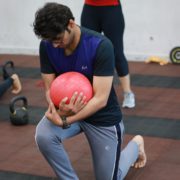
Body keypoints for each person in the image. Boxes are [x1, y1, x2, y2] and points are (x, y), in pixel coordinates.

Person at [33, 3, 147, 180]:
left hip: (101, 116)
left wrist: (65, 119)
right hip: (67, 111)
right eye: (50, 41)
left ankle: (135, 146)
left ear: (70, 24)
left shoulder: (101, 46)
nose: (55, 45)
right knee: (44, 136)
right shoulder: (47, 46)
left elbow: (100, 99)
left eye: (58, 38)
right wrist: (57, 109)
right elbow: (49, 88)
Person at [81, 0, 135, 108]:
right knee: (88, 53)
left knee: (117, 53)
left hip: (111, 9)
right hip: (90, 9)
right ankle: (88, 92)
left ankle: (128, 93)